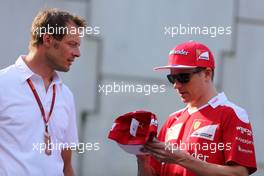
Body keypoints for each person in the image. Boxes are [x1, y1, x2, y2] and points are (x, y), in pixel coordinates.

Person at [137, 41, 257, 176]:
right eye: (172, 78)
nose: (176, 85)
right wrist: (142, 159)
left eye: (183, 77)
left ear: (206, 74)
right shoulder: (172, 120)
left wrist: (182, 158)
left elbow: (240, 174)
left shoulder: (231, 114)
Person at [0, 8, 86, 176]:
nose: (78, 53)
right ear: (47, 39)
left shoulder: (66, 95)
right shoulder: (2, 84)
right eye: (72, 44)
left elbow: (66, 166)